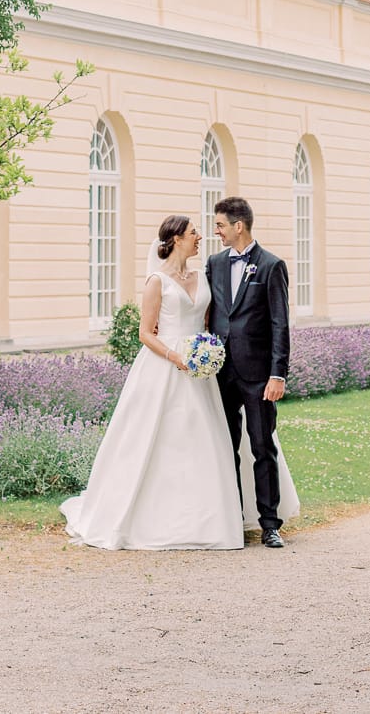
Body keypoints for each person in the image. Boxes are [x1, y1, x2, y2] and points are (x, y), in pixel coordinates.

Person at [61, 214, 244, 549]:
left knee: (201, 439)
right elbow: (145, 334)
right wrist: (177, 357)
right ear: (176, 239)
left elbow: (205, 321)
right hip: (165, 365)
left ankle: (204, 521)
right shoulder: (156, 282)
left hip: (198, 369)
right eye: (193, 233)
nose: (199, 237)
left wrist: (206, 352)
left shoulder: (202, 276)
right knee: (157, 438)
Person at [205, 195, 298, 549]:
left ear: (238, 226)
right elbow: (211, 313)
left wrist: (278, 374)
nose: (217, 232)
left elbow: (280, 325)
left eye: (220, 225)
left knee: (263, 446)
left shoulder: (272, 266)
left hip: (259, 374)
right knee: (225, 447)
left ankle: (270, 524)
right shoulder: (213, 264)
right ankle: (231, 518)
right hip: (220, 372)